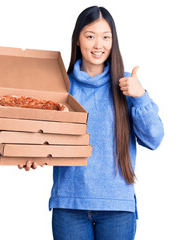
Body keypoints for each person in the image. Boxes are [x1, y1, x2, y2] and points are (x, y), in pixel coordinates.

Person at [18, 5, 164, 240]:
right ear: (78, 39)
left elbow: (154, 139)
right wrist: (28, 155)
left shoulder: (127, 85)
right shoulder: (60, 85)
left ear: (113, 41)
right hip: (69, 205)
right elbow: (42, 138)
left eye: (106, 37)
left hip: (117, 207)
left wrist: (140, 96)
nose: (99, 45)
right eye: (90, 36)